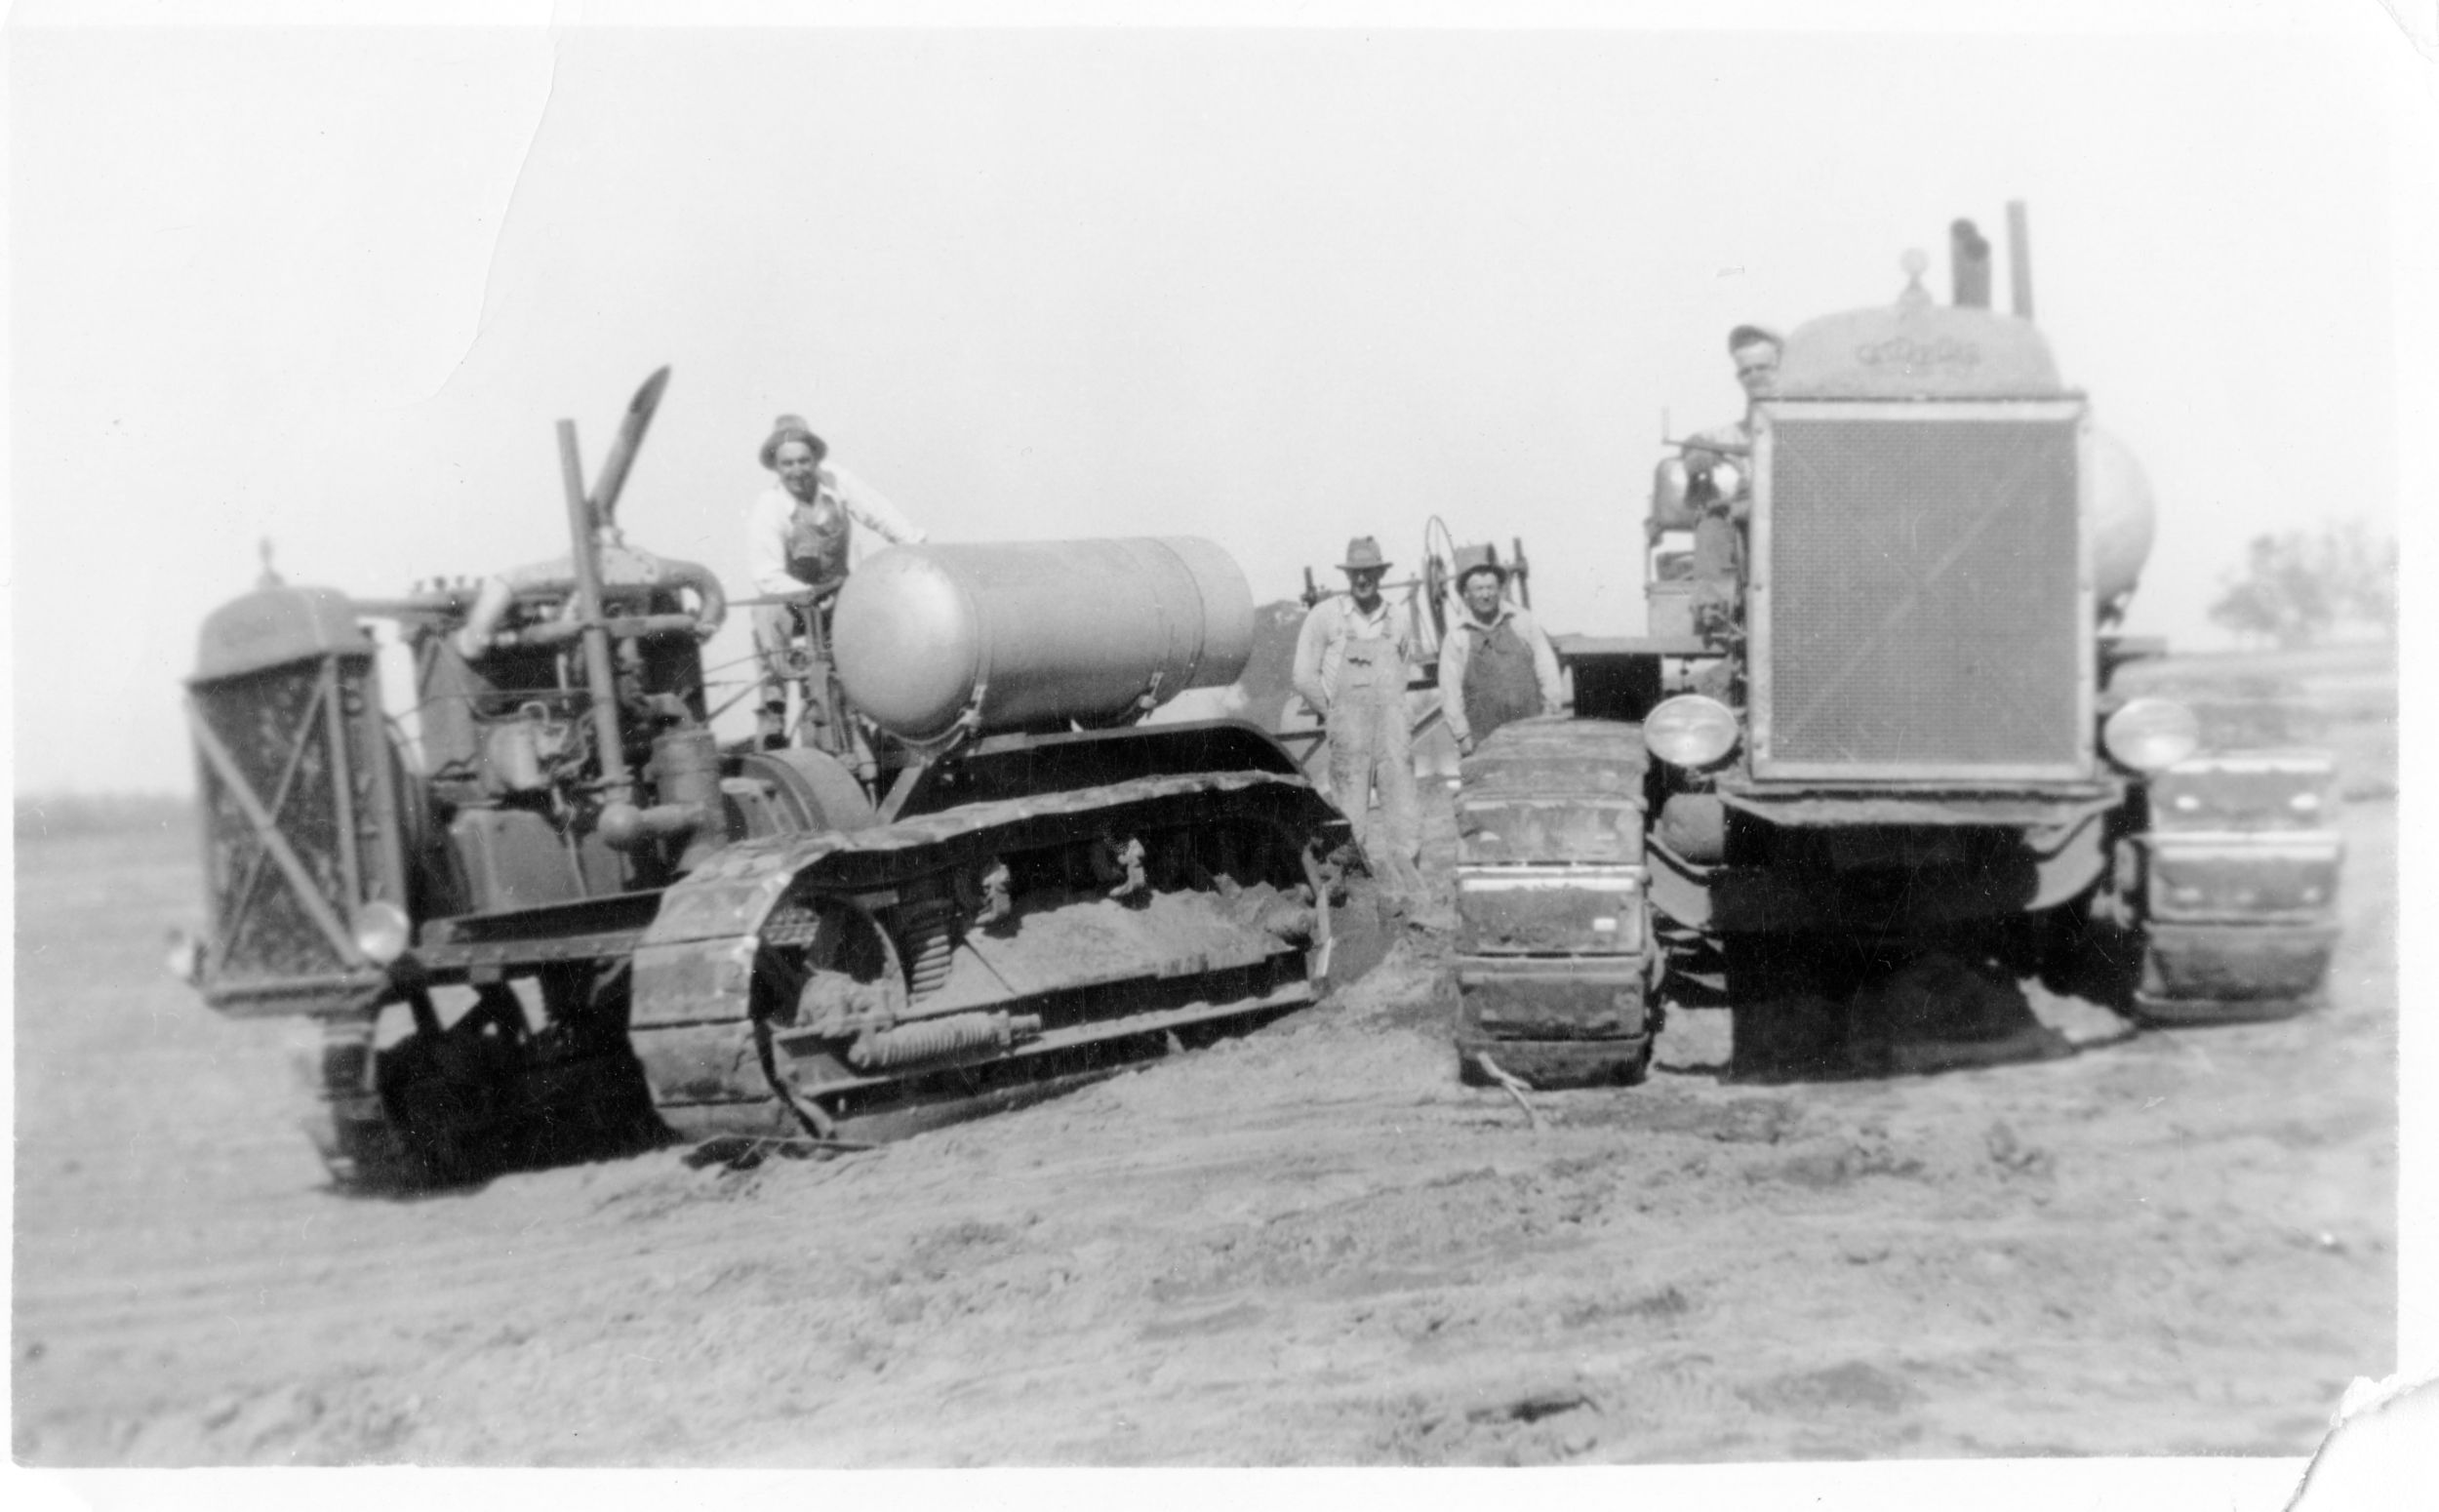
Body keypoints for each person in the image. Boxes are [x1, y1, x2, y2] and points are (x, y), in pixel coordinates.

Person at [744, 414, 926, 747]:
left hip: (839, 591)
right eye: (788, 464)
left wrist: (914, 544)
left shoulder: (838, 483)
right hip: (793, 600)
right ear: (776, 467)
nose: (797, 470)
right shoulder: (768, 508)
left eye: (804, 461)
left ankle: (888, 708)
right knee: (767, 615)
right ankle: (774, 710)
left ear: (815, 459)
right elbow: (767, 575)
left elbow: (879, 514)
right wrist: (809, 595)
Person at [1293, 537, 1422, 892]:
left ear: (1380, 573)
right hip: (1348, 734)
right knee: (1350, 824)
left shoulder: (1397, 618)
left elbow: (1403, 669)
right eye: (1356, 573)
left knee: (1405, 818)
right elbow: (1303, 677)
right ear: (1348, 576)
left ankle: (1408, 899)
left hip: (1392, 735)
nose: (1362, 579)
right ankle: (1358, 902)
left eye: (1369, 572)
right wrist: (1333, 713)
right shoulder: (1326, 616)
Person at [1680, 324, 1781, 636]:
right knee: (1713, 516)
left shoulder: (1812, 426)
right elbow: (1698, 445)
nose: (1754, 376)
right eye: (1746, 371)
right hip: (1746, 536)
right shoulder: (1728, 435)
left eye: (1763, 367)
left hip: (1800, 530)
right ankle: (1713, 608)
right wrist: (1695, 453)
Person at [1436, 559, 1562, 756]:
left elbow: (1547, 669)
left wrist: (1551, 714)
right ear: (1466, 595)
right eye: (1478, 589)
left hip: (1532, 731)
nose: (1485, 595)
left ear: (1500, 590)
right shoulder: (1457, 636)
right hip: (1483, 740)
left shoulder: (1522, 621)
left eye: (1490, 588)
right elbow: (1450, 692)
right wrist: (1462, 737)